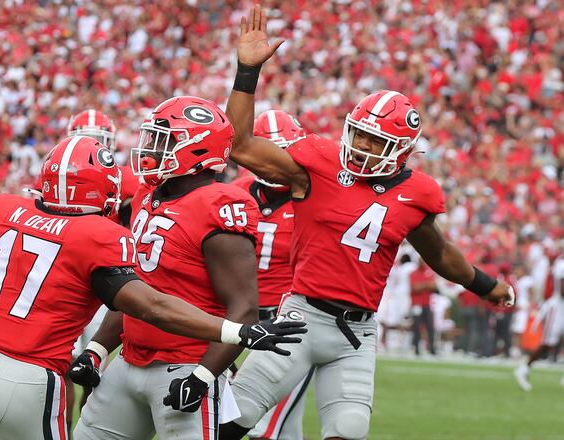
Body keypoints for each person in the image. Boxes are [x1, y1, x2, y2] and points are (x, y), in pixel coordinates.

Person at [0, 137, 306, 440]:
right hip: (30, 376)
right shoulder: (97, 234)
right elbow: (150, 304)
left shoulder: (6, 209)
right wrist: (237, 332)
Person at [219, 6, 514, 440]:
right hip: (300, 316)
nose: (360, 147)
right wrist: (247, 72)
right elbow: (241, 146)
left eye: (375, 140)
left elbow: (440, 253)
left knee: (349, 431)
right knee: (232, 422)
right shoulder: (316, 164)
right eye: (358, 134)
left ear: (402, 149)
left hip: (356, 333)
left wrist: (486, 286)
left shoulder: (419, 193)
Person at [72, 96, 268, 440]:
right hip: (130, 360)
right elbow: (134, 290)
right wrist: (96, 350)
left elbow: (244, 309)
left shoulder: (219, 204)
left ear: (196, 150)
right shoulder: (149, 195)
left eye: (165, 139)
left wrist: (203, 377)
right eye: (152, 138)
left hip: (186, 364)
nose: (151, 148)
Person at [233, 109, 313, 440]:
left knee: (270, 428)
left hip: (286, 320)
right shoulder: (235, 192)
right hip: (236, 319)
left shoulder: (310, 198)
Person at [65, 109, 141, 423]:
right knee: (61, 366)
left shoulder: (125, 178)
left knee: (92, 367)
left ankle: (85, 429)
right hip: (70, 275)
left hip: (104, 278)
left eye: (98, 141)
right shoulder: (60, 171)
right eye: (86, 139)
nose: (92, 146)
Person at [514, 251, 564, 391]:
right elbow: (562, 291)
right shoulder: (561, 265)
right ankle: (524, 368)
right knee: (548, 343)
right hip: (558, 308)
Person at [410, 262, 437, 356]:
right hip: (416, 304)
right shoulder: (413, 273)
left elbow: (433, 286)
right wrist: (426, 285)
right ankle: (417, 349)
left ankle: (432, 349)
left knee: (430, 327)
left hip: (427, 304)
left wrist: (421, 285)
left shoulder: (429, 272)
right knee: (417, 327)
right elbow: (414, 288)